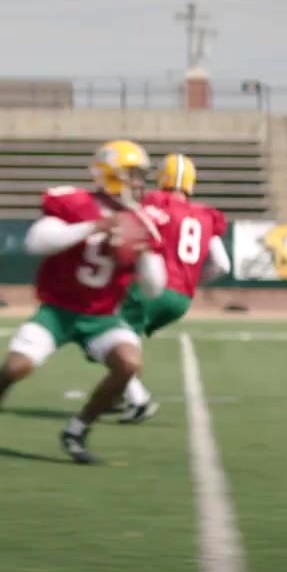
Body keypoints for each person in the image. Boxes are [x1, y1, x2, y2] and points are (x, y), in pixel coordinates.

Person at [0, 140, 167, 465]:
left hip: (101, 316)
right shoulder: (75, 203)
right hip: (58, 312)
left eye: (141, 175)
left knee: (129, 364)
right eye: (132, 174)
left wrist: (146, 253)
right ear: (110, 174)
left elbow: (155, 289)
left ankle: (77, 431)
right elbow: (36, 242)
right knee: (15, 368)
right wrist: (94, 226)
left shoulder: (142, 222)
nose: (139, 183)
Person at [114, 153, 230, 424]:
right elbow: (223, 265)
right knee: (127, 338)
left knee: (102, 335)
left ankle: (137, 398)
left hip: (150, 289)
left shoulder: (155, 202)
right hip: (181, 301)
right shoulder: (206, 215)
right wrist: (192, 281)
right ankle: (119, 394)